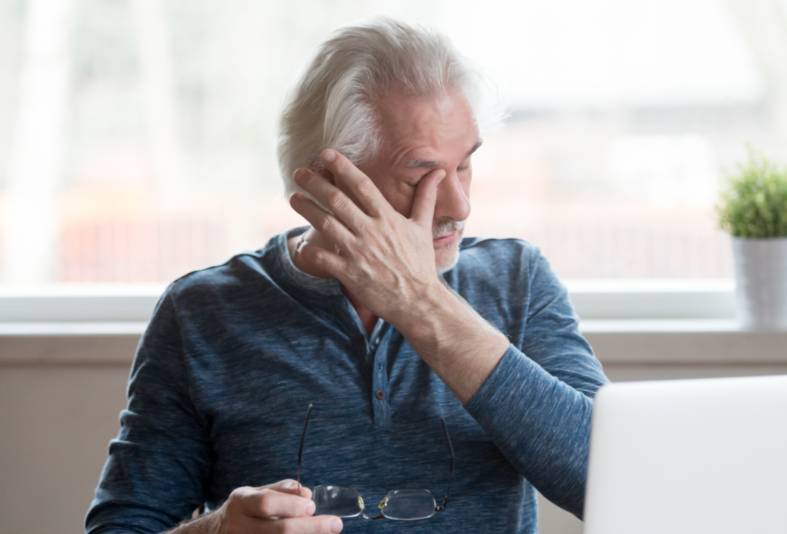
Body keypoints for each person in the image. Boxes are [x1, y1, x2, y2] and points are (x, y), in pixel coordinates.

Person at [85, 18, 608, 534]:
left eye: (465, 165)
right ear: (328, 182)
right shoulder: (201, 313)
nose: (459, 203)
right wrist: (218, 531)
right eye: (421, 176)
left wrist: (422, 303)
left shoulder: (517, 281)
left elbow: (607, 481)